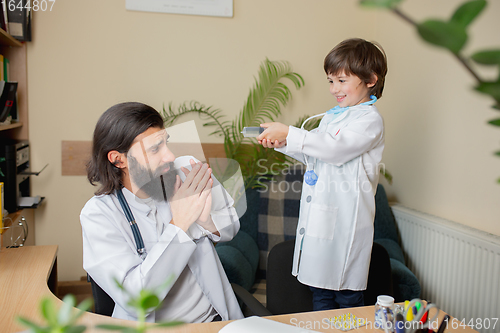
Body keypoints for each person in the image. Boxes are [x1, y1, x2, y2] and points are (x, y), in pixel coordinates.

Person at [80, 102, 244, 322]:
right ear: (119, 159)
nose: (170, 156)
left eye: (165, 143)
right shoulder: (99, 215)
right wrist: (180, 225)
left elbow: (232, 226)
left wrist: (207, 222)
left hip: (213, 319)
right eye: (155, 149)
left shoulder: (187, 172)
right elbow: (137, 301)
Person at [257, 38, 387, 310]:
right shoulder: (333, 117)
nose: (333, 89)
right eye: (330, 81)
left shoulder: (369, 120)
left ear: (371, 79)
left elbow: (336, 149)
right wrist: (282, 143)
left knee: (347, 295)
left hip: (347, 223)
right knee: (320, 292)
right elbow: (314, 152)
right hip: (322, 220)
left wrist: (291, 133)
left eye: (341, 81)